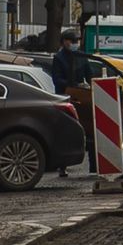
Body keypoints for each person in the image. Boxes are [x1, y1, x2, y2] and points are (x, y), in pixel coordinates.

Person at [52, 31, 92, 176]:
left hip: (81, 96)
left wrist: (89, 86)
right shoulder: (59, 58)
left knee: (88, 130)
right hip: (65, 96)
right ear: (64, 42)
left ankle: (93, 164)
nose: (74, 43)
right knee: (66, 130)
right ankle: (62, 165)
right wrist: (71, 84)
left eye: (76, 41)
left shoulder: (81, 56)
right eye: (71, 41)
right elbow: (56, 79)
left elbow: (90, 75)